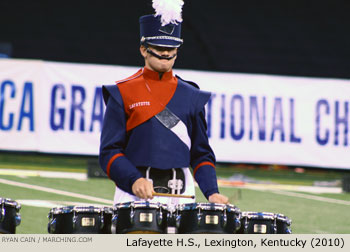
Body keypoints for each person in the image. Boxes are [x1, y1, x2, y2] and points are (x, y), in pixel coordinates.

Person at [99, 4, 228, 206]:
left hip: (182, 192)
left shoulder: (191, 95)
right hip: (135, 192)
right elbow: (109, 152)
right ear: (144, 49)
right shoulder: (122, 92)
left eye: (171, 48)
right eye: (159, 48)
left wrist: (212, 191)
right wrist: (133, 180)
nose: (166, 53)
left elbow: (201, 153)